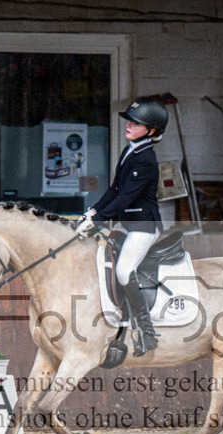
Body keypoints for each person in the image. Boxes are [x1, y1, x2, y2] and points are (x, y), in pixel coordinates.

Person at [75, 96, 168, 356]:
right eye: (129, 120)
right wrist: (92, 210)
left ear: (151, 131)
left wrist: (98, 220)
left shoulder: (145, 159)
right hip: (129, 223)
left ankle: (147, 331)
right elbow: (114, 189)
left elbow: (126, 198)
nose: (129, 125)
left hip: (143, 226)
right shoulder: (130, 150)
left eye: (136, 123)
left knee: (125, 271)